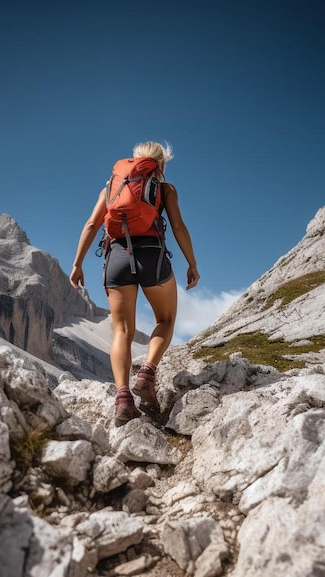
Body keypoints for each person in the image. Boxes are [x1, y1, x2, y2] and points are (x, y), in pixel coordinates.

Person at [69, 141, 200, 426]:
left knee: (121, 330)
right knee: (165, 319)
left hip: (116, 257)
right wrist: (192, 263)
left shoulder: (111, 188)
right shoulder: (166, 189)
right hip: (151, 257)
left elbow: (92, 224)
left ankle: (123, 400)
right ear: (159, 165)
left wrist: (77, 264)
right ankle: (147, 374)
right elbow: (178, 227)